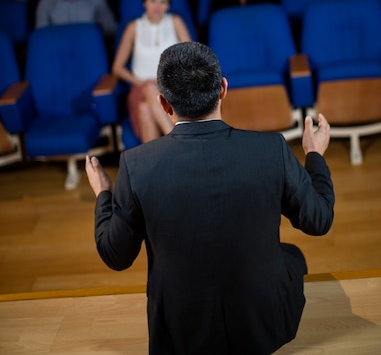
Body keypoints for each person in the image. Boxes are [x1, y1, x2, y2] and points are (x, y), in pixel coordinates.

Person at [86, 41, 334, 355]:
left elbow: (115, 256)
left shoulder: (137, 165)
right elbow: (320, 220)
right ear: (223, 89)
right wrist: (314, 156)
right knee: (292, 255)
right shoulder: (271, 149)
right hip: (262, 325)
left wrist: (103, 194)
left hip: (181, 332)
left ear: (164, 103)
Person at [112, 0, 191, 143]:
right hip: (141, 89)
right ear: (144, 3)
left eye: (163, 1)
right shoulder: (134, 27)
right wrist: (141, 82)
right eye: (153, 0)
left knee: (145, 109)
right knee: (148, 91)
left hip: (172, 88)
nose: (157, 6)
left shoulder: (175, 22)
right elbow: (117, 68)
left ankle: (154, 165)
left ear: (168, 6)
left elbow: (192, 57)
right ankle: (180, 139)